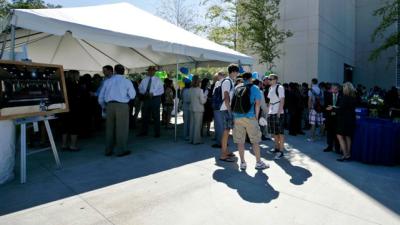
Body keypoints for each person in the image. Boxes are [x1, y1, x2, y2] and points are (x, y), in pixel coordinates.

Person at [232, 72, 269, 170]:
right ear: (251, 78)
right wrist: (256, 118)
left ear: (243, 78)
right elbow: (257, 104)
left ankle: (243, 163)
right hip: (250, 117)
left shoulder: (237, 88)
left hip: (237, 117)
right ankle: (258, 162)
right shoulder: (255, 88)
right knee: (255, 141)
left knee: (240, 142)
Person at [98, 64, 136, 157]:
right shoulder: (127, 82)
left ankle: (108, 150)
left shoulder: (107, 81)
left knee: (109, 129)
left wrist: (103, 106)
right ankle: (121, 150)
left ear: (114, 71)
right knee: (121, 129)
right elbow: (132, 95)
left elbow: (100, 97)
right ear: (124, 72)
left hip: (109, 105)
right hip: (122, 105)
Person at [219, 64, 238, 161]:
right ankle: (223, 154)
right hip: (226, 109)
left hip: (227, 109)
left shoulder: (230, 81)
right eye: (237, 72)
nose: (237, 74)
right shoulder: (227, 82)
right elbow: (226, 98)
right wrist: (230, 111)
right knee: (226, 132)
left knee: (227, 131)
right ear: (233, 72)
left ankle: (225, 151)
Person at [138, 66, 164, 137]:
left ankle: (157, 133)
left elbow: (161, 90)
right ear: (148, 71)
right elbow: (140, 88)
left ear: (155, 72)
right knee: (145, 116)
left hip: (155, 98)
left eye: (152, 71)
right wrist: (144, 92)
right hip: (146, 98)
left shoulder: (158, 80)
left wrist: (153, 94)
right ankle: (144, 131)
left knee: (156, 116)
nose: (151, 72)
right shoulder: (144, 80)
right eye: (149, 71)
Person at [336, 82, 357, 162]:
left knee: (340, 136)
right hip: (351, 119)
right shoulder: (354, 97)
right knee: (348, 136)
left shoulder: (345, 97)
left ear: (346, 88)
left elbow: (341, 109)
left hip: (344, 120)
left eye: (343, 87)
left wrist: (333, 108)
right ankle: (348, 154)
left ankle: (344, 155)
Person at [60, 70, 81, 152]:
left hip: (64, 108)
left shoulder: (63, 84)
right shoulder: (75, 85)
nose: (79, 76)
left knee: (64, 127)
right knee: (74, 127)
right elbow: (77, 97)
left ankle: (64, 144)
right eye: (78, 75)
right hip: (73, 108)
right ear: (74, 75)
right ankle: (73, 146)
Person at [267, 74, 285, 159]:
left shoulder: (280, 87)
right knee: (274, 132)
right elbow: (270, 101)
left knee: (280, 133)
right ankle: (276, 148)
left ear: (275, 80)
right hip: (271, 112)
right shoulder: (270, 88)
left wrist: (279, 112)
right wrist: (268, 111)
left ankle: (281, 151)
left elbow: (282, 100)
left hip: (278, 113)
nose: (269, 80)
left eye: (270, 79)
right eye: (269, 79)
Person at [188, 75, 207, 144]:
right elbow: (203, 101)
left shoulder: (190, 90)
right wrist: (205, 96)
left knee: (192, 124)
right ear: (199, 82)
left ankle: (191, 139)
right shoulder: (200, 90)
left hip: (191, 108)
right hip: (198, 109)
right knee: (197, 125)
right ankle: (196, 140)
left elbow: (189, 99)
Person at [323, 83, 341, 153]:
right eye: (332, 88)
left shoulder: (341, 96)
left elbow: (341, 106)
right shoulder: (328, 95)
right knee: (329, 132)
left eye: (335, 89)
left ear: (338, 89)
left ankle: (337, 147)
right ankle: (329, 146)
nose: (333, 90)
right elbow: (325, 106)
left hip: (338, 117)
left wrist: (333, 108)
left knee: (337, 132)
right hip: (329, 116)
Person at [211, 72, 225, 148]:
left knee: (219, 125)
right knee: (221, 125)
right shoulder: (227, 83)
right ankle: (221, 141)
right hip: (222, 107)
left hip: (218, 107)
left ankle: (220, 142)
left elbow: (215, 96)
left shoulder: (218, 84)